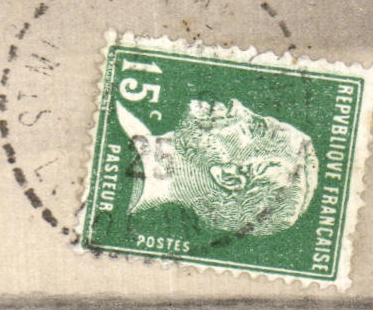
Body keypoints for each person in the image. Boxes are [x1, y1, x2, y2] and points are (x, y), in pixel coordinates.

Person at [115, 96, 318, 240]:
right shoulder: (126, 127)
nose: (236, 106)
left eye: (253, 126)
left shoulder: (114, 188)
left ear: (229, 177)